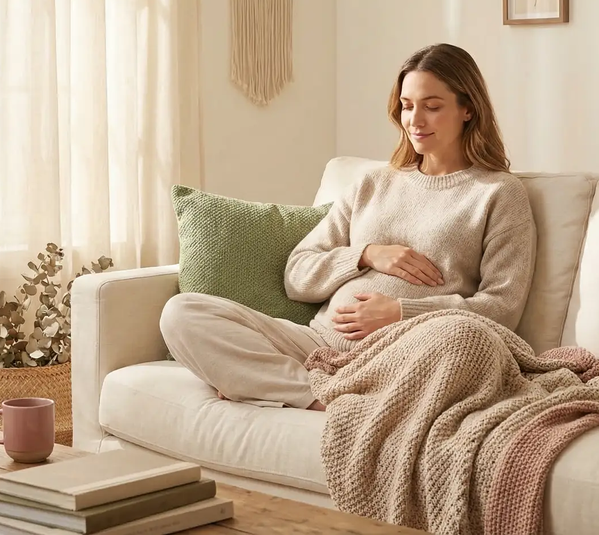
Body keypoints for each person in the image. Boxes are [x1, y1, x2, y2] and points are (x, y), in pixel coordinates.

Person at [160, 43, 537, 412]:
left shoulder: (497, 193)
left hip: (407, 355)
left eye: (432, 107)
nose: (415, 121)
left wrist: (399, 312)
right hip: (316, 344)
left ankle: (261, 384)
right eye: (407, 107)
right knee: (182, 312)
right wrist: (366, 255)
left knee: (464, 340)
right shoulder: (372, 183)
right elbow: (298, 274)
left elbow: (501, 309)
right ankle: (317, 395)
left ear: (468, 108)